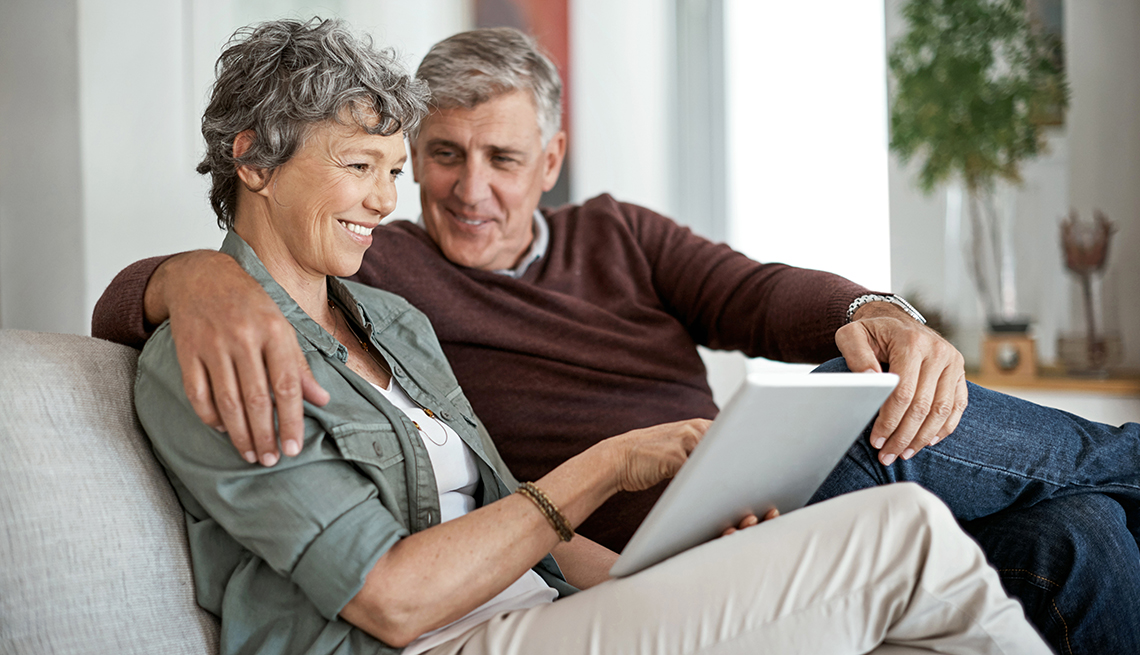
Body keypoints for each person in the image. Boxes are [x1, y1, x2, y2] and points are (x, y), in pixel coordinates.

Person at [96, 25, 1140, 653]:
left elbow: (761, 292)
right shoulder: (376, 273)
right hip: (597, 552)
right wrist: (188, 280)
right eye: (432, 156)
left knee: (1080, 530)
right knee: (889, 471)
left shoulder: (563, 254)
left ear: (550, 157)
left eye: (500, 157)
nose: (457, 189)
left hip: (690, 532)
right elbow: (197, 290)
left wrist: (886, 313)